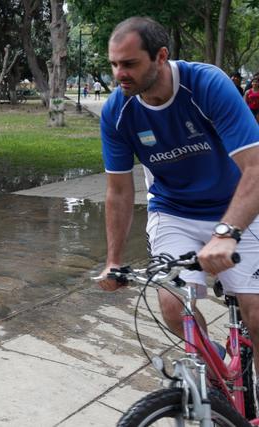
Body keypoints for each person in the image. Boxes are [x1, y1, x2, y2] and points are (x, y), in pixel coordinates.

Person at [98, 17, 259, 368]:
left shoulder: (206, 85)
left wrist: (226, 232)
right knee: (173, 306)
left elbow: (256, 168)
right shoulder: (117, 111)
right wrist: (113, 260)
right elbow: (119, 191)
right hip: (174, 211)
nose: (119, 74)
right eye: (113, 64)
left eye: (129, 64)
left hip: (238, 209)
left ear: (160, 56)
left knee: (257, 315)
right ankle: (217, 374)